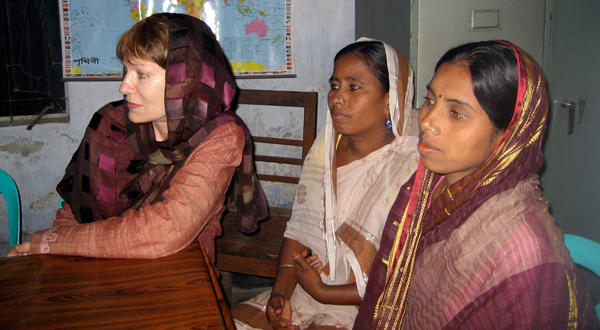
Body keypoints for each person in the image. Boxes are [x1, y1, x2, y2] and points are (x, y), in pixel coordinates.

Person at [354, 40, 600, 329]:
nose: (427, 120)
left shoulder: (521, 253)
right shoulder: (429, 185)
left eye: (456, 113)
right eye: (431, 99)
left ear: (509, 135)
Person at [7, 13, 267, 264]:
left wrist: (57, 243)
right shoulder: (111, 123)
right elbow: (74, 208)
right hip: (96, 261)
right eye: (126, 70)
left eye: (141, 74)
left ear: (184, 81)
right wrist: (58, 253)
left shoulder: (220, 137)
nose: (124, 86)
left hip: (181, 270)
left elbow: (167, 229)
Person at [233, 39, 420, 330]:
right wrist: (281, 292)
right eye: (335, 85)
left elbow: (400, 278)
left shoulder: (409, 168)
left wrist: (323, 291)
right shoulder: (326, 150)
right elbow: (299, 230)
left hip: (367, 306)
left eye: (353, 87)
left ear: (389, 100)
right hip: (307, 289)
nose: (336, 98)